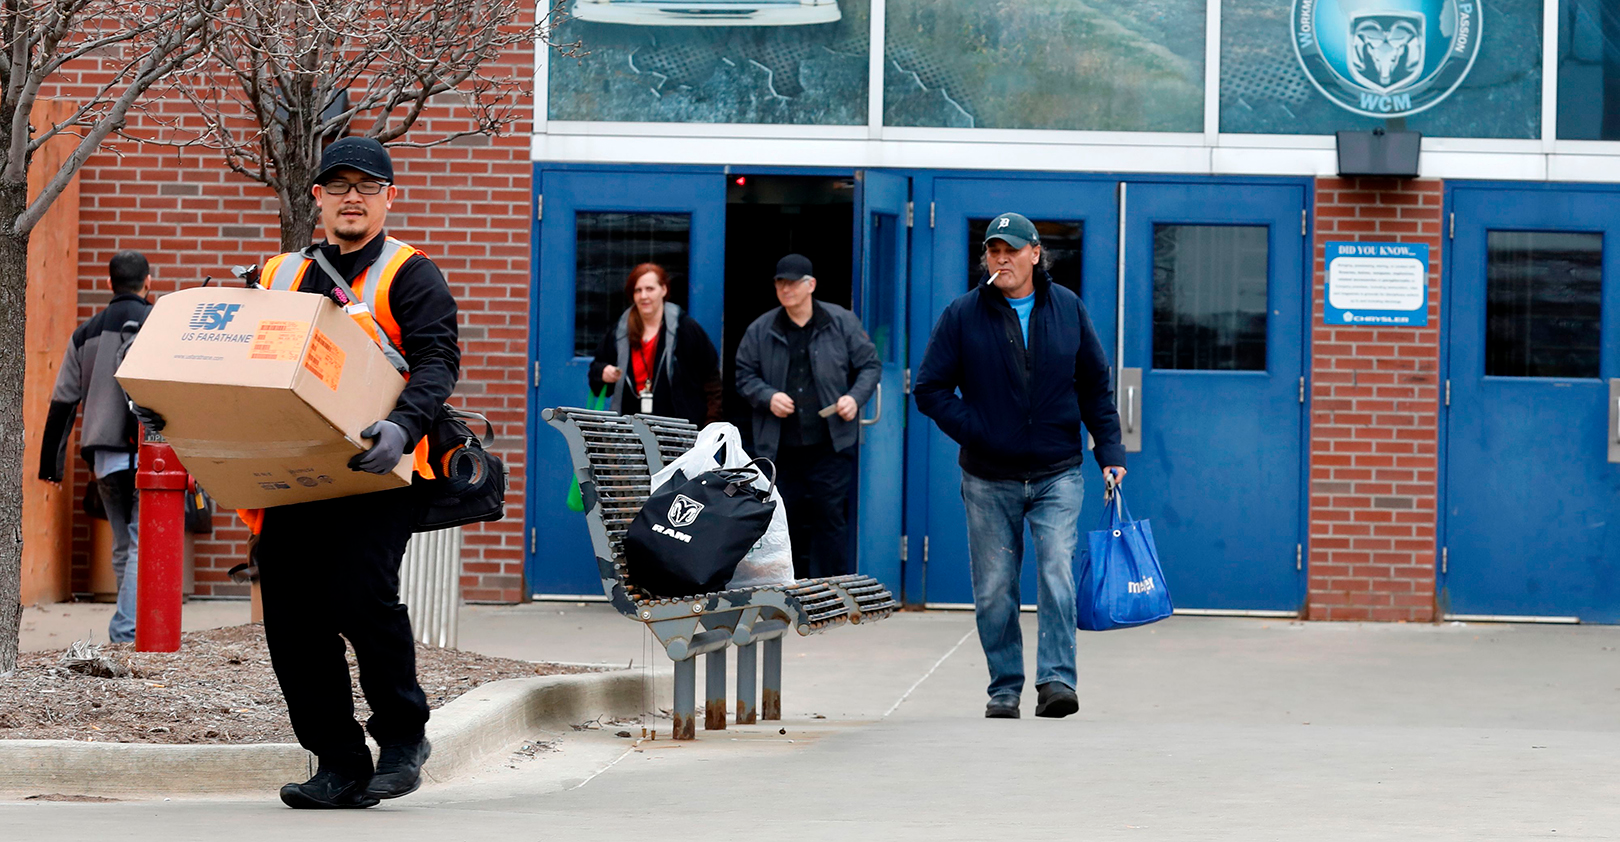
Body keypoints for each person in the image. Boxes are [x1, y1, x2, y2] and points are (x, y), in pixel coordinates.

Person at [135, 137, 459, 808]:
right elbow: (228, 360)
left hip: (379, 467)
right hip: (295, 471)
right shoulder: (276, 275)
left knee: (359, 592)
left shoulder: (409, 274)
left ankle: (403, 734)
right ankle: (338, 761)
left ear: (388, 197)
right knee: (288, 612)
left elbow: (437, 361)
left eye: (366, 187)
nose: (352, 198)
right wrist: (176, 406)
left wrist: (403, 425)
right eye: (338, 186)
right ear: (317, 197)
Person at [914, 213, 1126, 721]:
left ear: (1035, 254)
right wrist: (978, 428)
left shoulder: (1068, 309)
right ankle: (1004, 687)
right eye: (993, 251)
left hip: (1058, 470)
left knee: (1056, 572)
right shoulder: (963, 314)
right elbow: (930, 389)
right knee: (993, 588)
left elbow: (1095, 386)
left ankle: (1056, 682)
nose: (1001, 259)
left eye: (1011, 250)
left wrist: (1111, 453)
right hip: (988, 476)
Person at [734, 253, 880, 580]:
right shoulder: (761, 329)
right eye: (780, 283)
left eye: (793, 283)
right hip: (780, 447)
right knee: (784, 520)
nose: (785, 289)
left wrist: (854, 399)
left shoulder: (840, 322)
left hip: (830, 443)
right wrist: (767, 396)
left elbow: (870, 366)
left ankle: (830, 590)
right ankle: (789, 590)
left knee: (830, 518)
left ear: (810, 285)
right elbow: (743, 375)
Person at [39, 251, 154, 644]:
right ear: (148, 282)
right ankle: (126, 629)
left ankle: (129, 627)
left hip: (104, 455)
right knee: (141, 543)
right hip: (149, 455)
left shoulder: (84, 333)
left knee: (124, 544)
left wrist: (51, 466)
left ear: (109, 283)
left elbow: (62, 402)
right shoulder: (159, 324)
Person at [587, 263, 721, 428]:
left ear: (663, 290)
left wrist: (711, 425)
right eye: (638, 290)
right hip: (630, 434)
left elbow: (711, 379)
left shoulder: (685, 329)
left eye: (650, 289)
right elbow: (596, 372)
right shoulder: (621, 331)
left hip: (678, 434)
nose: (644, 296)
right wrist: (603, 372)